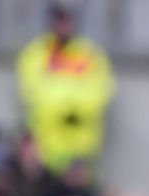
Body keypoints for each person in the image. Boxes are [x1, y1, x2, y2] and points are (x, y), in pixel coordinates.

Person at [16, 1, 115, 177]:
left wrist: (73, 109)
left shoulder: (90, 54)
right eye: (59, 19)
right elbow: (31, 91)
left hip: (83, 147)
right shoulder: (37, 53)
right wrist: (64, 107)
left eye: (67, 19)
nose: (63, 25)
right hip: (47, 148)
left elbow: (101, 90)